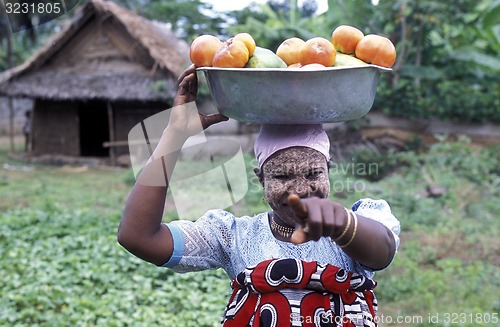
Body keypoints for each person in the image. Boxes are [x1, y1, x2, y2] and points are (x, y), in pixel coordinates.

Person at [118, 64, 400, 327]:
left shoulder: (359, 224)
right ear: (261, 179)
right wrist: (174, 135)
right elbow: (139, 236)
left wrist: (341, 223)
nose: (301, 190)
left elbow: (383, 252)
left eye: (313, 174)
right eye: (282, 176)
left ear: (329, 171)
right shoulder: (234, 236)